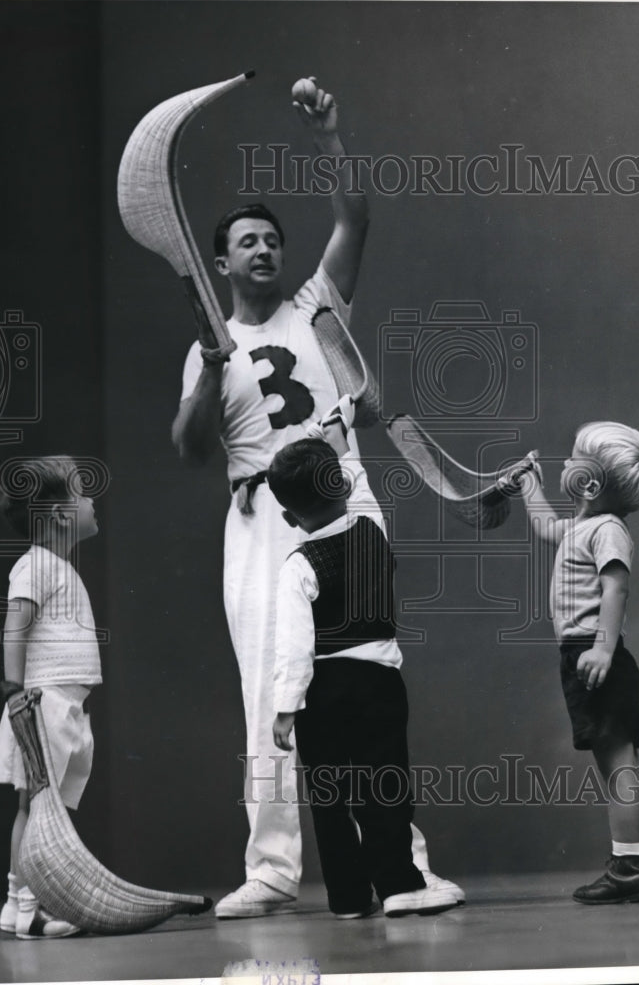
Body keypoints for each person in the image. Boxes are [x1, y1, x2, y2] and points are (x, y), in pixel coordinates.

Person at [172, 78, 463, 918]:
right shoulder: (211, 351)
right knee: (270, 686)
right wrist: (211, 365)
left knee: (366, 679)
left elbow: (354, 219)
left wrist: (330, 135)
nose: (264, 250)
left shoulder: (315, 306)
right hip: (259, 519)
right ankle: (270, 869)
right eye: (247, 242)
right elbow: (190, 451)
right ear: (220, 264)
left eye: (271, 239)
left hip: (345, 499)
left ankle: (400, 867)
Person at [269, 401, 460, 918]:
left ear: (289, 517)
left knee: (329, 799)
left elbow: (292, 645)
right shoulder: (372, 528)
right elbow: (360, 482)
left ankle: (348, 898)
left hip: (319, 697)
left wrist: (285, 708)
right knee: (385, 789)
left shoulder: (296, 564)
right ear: (346, 490)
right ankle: (399, 886)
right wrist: (340, 437)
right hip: (376, 687)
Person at [516, 422, 639, 903]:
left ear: (587, 484)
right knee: (628, 768)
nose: (565, 461)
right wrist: (528, 484)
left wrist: (602, 648)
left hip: (595, 655)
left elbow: (615, 588)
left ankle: (627, 867)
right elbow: (545, 527)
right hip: (585, 655)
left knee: (619, 771)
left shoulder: (607, 531)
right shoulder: (582, 527)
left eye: (573, 458)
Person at [0, 456, 102, 938]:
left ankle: (19, 902)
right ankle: (31, 905)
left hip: (65, 705)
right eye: (83, 491)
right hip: (42, 703)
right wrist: (17, 694)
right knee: (37, 809)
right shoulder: (35, 566)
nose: (93, 500)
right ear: (59, 514)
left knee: (40, 809)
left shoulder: (54, 566)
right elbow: (14, 628)